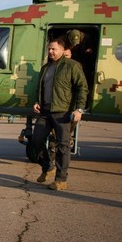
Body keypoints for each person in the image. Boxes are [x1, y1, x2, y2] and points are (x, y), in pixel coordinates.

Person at [32, 38, 88, 191]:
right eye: (49, 49)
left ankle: (61, 180)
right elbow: (40, 88)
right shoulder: (45, 68)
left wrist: (79, 109)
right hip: (45, 111)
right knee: (36, 140)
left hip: (62, 112)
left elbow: (82, 88)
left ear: (62, 50)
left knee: (63, 146)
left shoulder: (72, 66)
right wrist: (37, 101)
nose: (50, 52)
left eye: (54, 49)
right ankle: (48, 167)